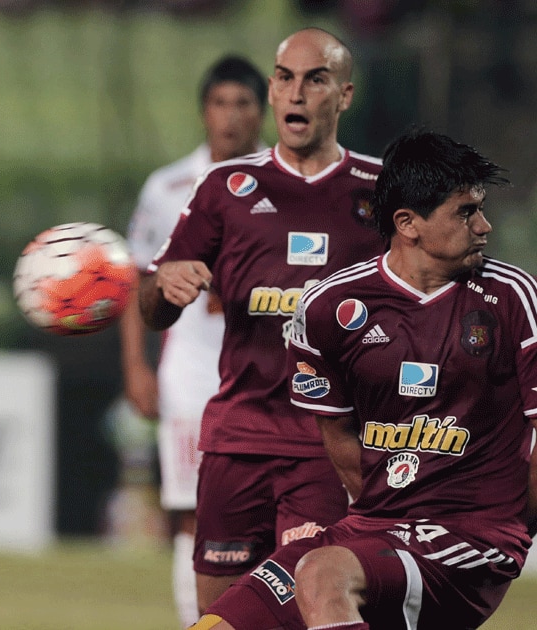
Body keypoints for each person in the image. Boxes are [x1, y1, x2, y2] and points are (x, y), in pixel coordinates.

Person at [195, 129, 537, 629]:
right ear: (408, 224)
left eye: (480, 209)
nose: (484, 226)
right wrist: (386, 512)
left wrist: (509, 527)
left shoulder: (514, 300)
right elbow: (337, 435)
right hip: (373, 529)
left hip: (472, 537)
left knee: (322, 576)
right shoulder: (329, 309)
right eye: (466, 212)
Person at [139, 27, 385, 616]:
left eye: (315, 79)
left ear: (344, 95)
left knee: (309, 606)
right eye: (285, 78)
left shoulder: (380, 191)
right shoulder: (226, 188)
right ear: (273, 93)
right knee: (218, 617)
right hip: (236, 441)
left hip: (325, 446)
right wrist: (165, 287)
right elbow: (153, 306)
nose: (296, 93)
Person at [119, 54, 266, 628]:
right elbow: (138, 279)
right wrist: (137, 366)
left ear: (264, 112)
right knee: (189, 512)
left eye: (243, 104)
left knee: (275, 516)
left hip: (266, 371)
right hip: (191, 371)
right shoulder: (168, 187)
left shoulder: (284, 185)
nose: (231, 117)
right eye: (220, 103)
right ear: (204, 112)